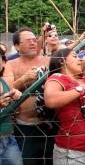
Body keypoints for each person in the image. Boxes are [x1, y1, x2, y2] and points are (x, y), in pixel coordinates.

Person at [3, 28, 55, 165]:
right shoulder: (11, 64)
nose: (33, 43)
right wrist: (24, 79)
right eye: (28, 41)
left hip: (51, 124)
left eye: (34, 40)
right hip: (25, 127)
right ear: (17, 46)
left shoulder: (49, 60)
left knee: (51, 160)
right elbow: (6, 91)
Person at [0, 47, 23, 165]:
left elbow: (14, 112)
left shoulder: (4, 83)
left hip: (8, 138)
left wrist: (16, 98)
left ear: (3, 63)